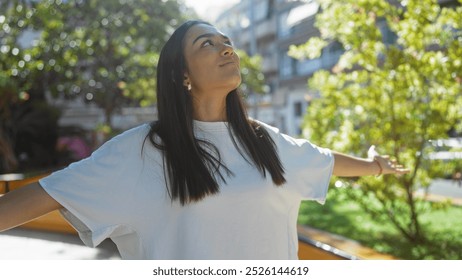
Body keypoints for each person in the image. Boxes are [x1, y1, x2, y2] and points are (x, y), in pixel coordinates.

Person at [0, 20, 409, 259]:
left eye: (226, 42)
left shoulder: (265, 141)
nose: (226, 49)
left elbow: (326, 160)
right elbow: (46, 193)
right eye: (207, 44)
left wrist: (375, 166)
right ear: (182, 75)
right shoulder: (143, 151)